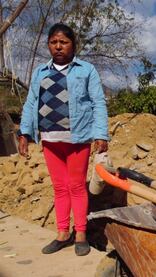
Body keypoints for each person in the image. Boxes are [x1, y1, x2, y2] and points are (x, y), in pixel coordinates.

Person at [17, 23, 109, 256]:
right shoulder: (40, 72)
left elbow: (98, 102)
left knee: (77, 186)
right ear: (48, 44)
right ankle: (62, 233)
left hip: (77, 138)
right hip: (49, 139)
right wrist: (24, 133)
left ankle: (80, 234)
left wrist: (101, 134)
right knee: (59, 187)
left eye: (63, 42)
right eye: (53, 42)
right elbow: (31, 103)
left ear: (73, 45)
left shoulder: (86, 70)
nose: (58, 47)